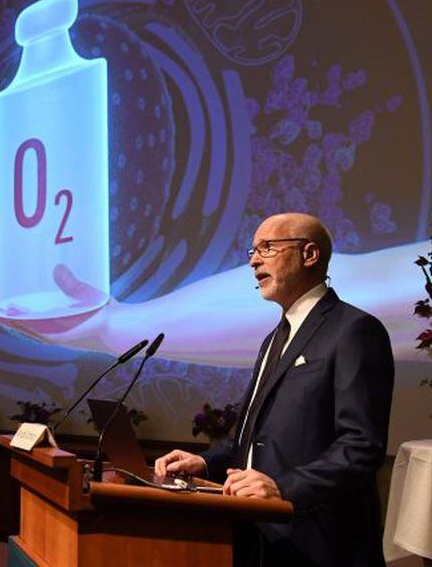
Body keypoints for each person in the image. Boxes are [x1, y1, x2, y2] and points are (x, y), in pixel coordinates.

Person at [155, 213, 394, 566]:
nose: (253, 260)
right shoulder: (273, 339)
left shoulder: (355, 330)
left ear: (309, 255)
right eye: (252, 250)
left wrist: (285, 488)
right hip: (258, 535)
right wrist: (204, 462)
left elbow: (361, 447)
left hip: (319, 541)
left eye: (267, 248)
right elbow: (253, 439)